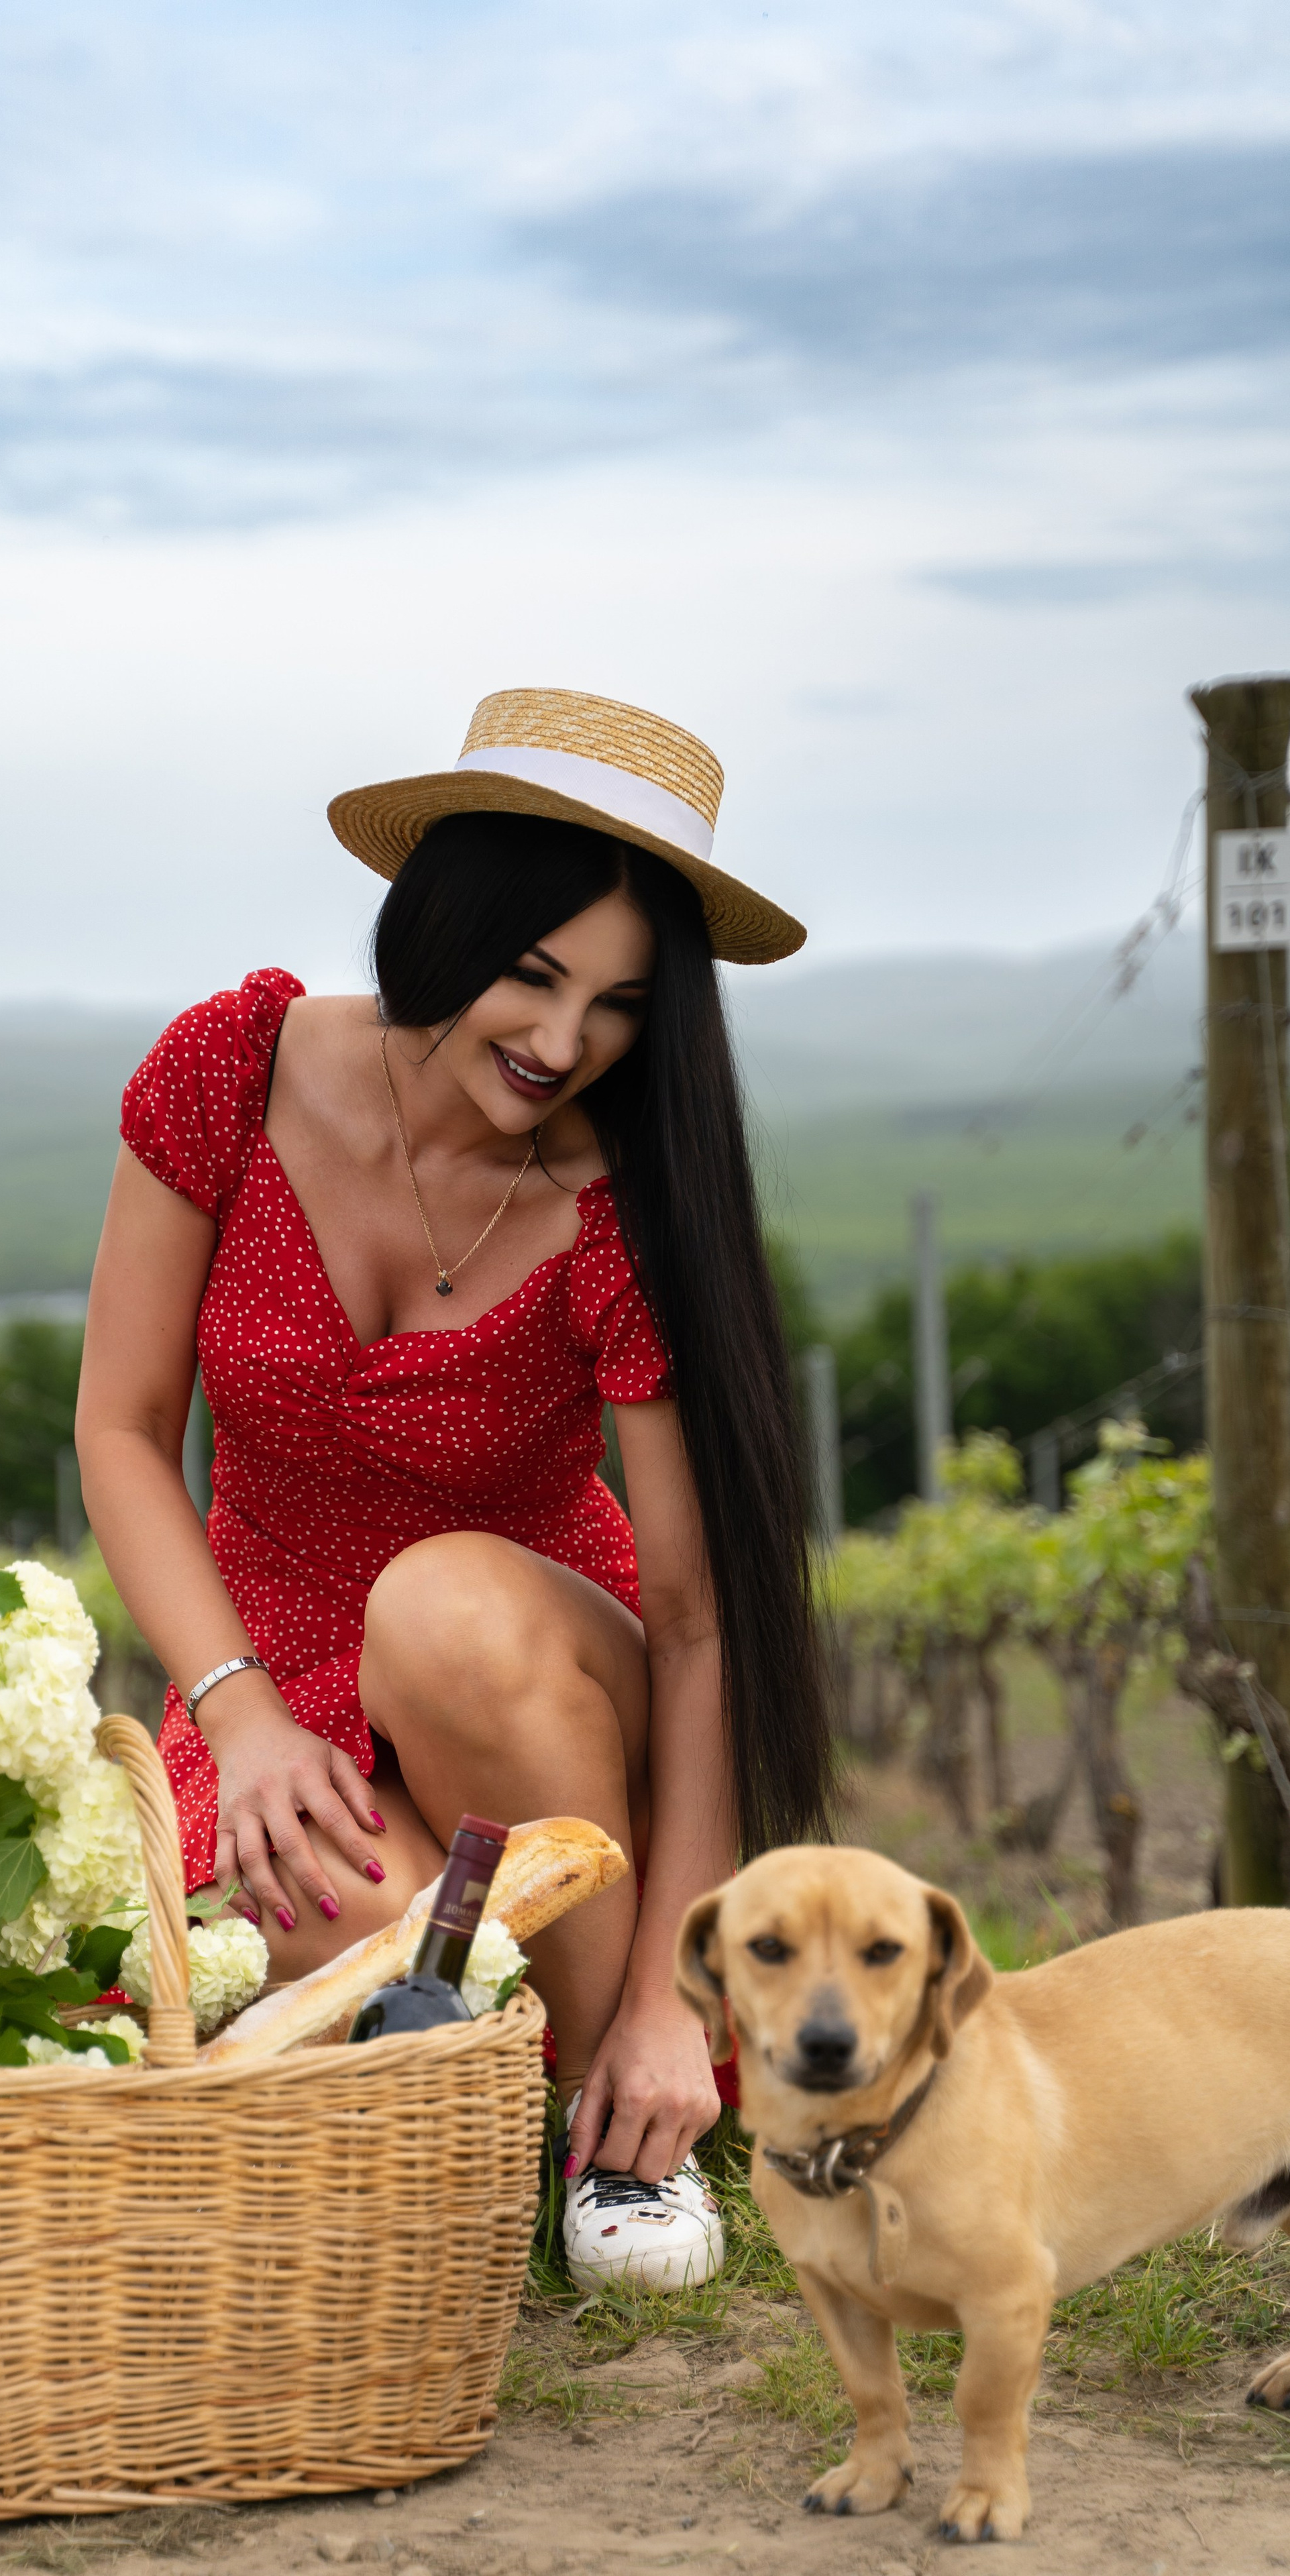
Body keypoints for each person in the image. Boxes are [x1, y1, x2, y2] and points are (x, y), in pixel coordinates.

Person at [77, 686, 832, 2287]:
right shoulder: (230, 1069)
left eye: (619, 1008)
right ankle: (540, 2097)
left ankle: (638, 2103)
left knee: (440, 1605)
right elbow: (124, 1431)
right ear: (442, 920)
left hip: (536, 1685)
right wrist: (240, 1713)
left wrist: (662, 2004)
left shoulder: (623, 1202)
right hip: (274, 1698)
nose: (562, 1045)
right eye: (531, 973)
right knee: (326, 1963)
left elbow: (699, 1626)